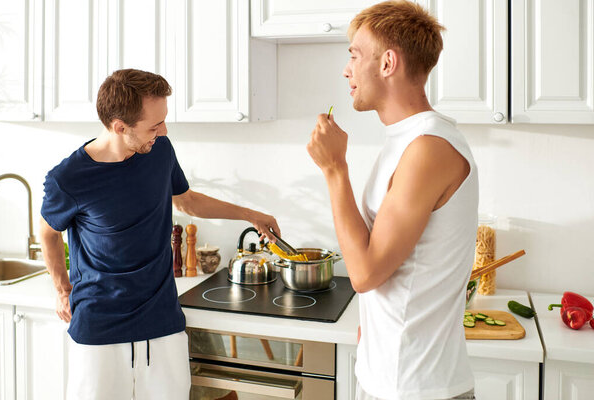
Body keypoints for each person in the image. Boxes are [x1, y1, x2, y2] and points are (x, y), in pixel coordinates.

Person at [39, 68, 279, 400]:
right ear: (120, 127)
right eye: (154, 125)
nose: (163, 131)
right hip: (100, 326)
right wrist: (62, 289)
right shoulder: (69, 178)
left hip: (161, 320)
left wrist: (251, 215)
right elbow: (48, 233)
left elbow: (188, 201)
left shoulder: (159, 150)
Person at [306, 1, 477, 399]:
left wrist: (334, 170)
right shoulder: (405, 140)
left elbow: (365, 274)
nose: (346, 69)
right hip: (387, 375)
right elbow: (385, 258)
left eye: (354, 54)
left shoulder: (429, 148)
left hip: (419, 388)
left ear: (387, 63)